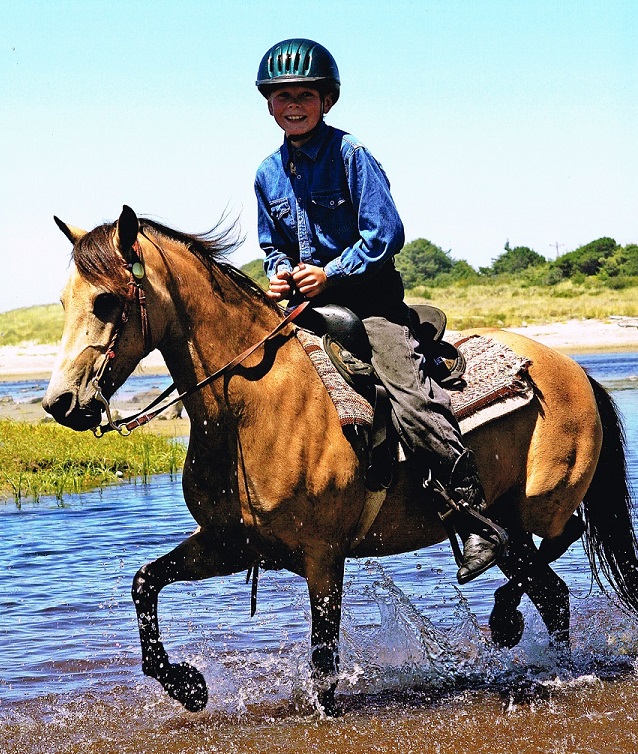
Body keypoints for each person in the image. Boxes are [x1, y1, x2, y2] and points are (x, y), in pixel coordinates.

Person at [254, 38, 507, 584]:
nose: (292, 104)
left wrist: (331, 272)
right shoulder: (267, 173)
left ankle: (474, 517)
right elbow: (271, 242)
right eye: (281, 95)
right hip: (305, 306)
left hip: (369, 304)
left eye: (304, 94)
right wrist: (280, 271)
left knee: (412, 398)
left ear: (326, 100)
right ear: (267, 103)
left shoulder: (352, 156)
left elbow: (384, 233)